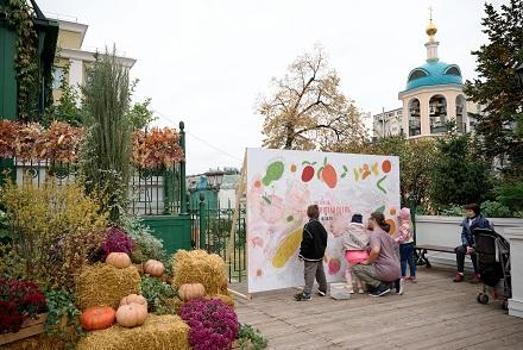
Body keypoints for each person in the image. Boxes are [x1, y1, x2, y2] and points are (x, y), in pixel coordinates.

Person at [352, 212, 401, 297]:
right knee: (369, 287)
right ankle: (393, 282)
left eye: (369, 220)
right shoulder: (385, 234)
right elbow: (395, 247)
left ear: (373, 220)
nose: (367, 222)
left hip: (385, 270)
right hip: (396, 270)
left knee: (356, 268)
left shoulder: (375, 234)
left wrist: (367, 261)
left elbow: (376, 251)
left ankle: (381, 287)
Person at [294, 204, 328, 301]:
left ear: (308, 214)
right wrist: (322, 251)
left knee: (309, 273)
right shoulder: (321, 227)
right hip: (319, 255)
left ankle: (307, 294)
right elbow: (325, 239)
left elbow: (306, 242)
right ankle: (323, 289)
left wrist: (301, 253)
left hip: (310, 256)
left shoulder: (308, 227)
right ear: (318, 214)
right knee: (320, 272)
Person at [453, 203, 491, 283]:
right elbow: (463, 235)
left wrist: (474, 247)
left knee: (474, 253)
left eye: (470, 211)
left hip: (480, 245)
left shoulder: (483, 221)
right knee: (459, 250)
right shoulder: (465, 221)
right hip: (468, 244)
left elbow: (485, 236)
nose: (467, 213)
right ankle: (460, 273)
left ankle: (478, 274)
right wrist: (466, 246)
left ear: (475, 211)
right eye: (467, 211)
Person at [342, 214, 369, 294]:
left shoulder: (347, 230)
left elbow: (344, 242)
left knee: (348, 271)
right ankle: (360, 288)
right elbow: (366, 242)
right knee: (358, 272)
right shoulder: (364, 230)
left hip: (351, 255)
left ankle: (350, 288)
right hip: (363, 255)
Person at [395, 207, 416, 283]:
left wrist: (396, 240)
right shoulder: (409, 223)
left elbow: (403, 237)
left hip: (404, 244)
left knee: (403, 260)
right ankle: (413, 275)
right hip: (411, 243)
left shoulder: (403, 225)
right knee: (411, 260)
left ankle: (403, 276)